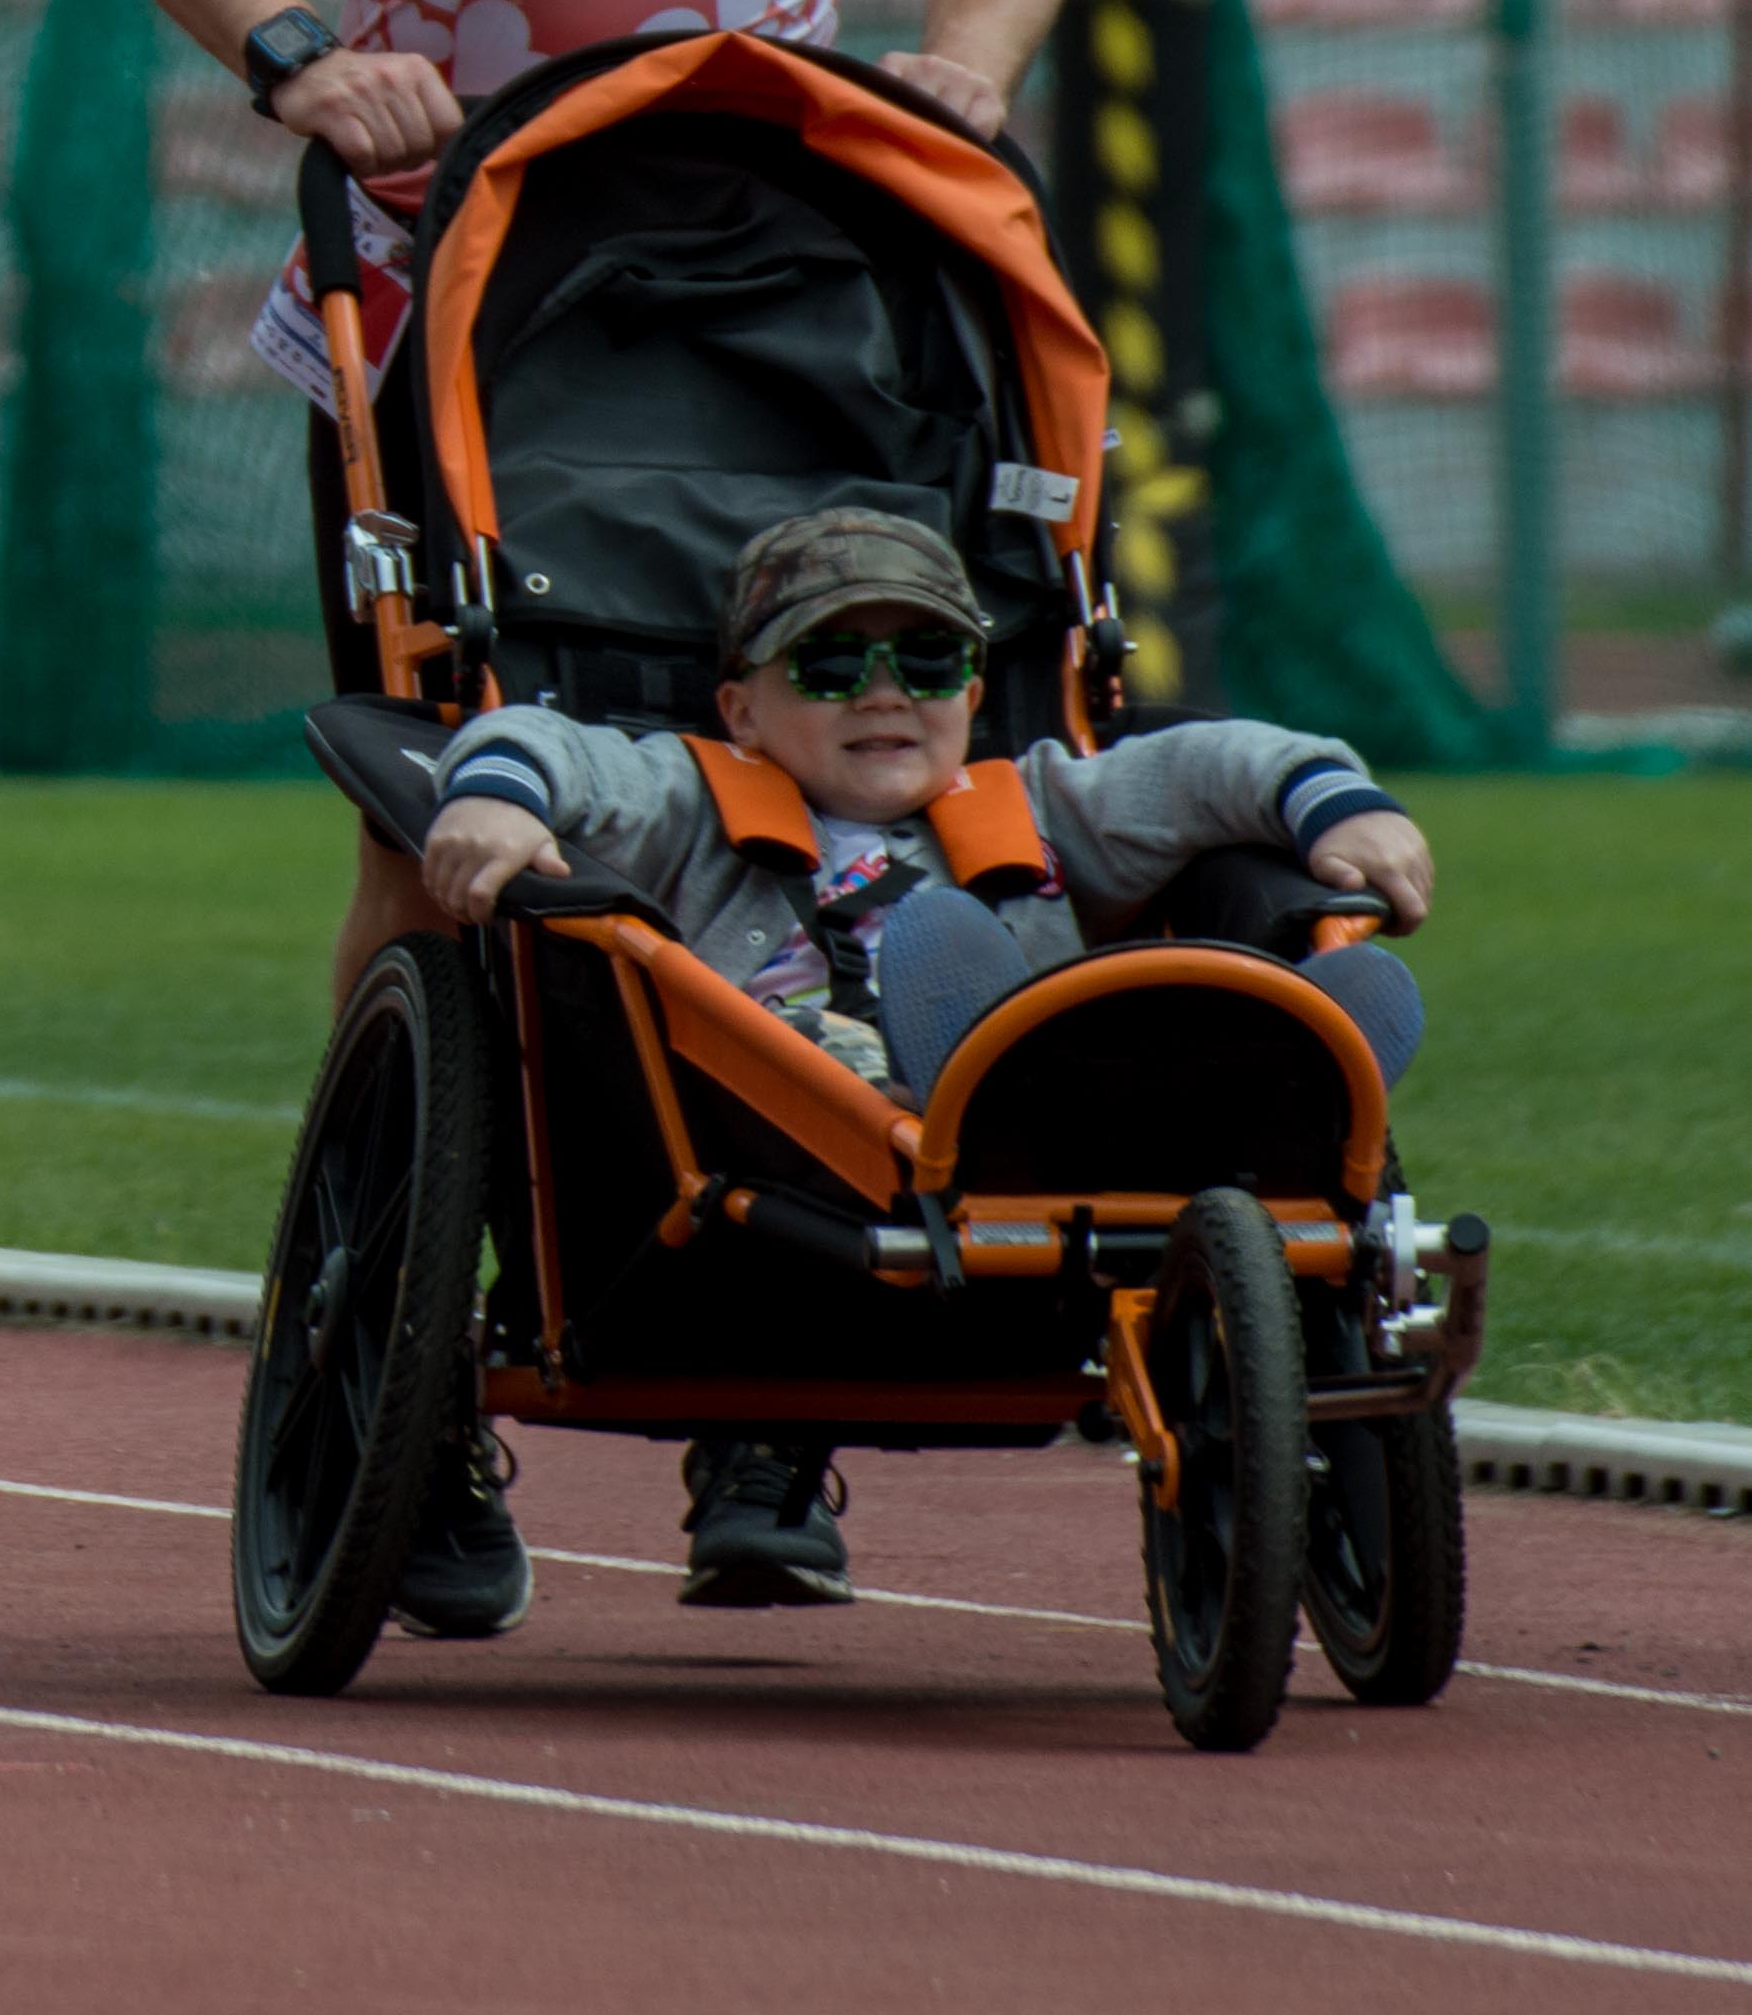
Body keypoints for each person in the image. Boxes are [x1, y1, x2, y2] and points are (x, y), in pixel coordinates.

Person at [85, 0, 1080, 1633]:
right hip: (445, 289)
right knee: (447, 812)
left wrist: (951, 80)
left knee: (835, 758)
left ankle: (773, 1368)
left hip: (769, 277)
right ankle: (396, 1344)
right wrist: (305, 52)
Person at [410, 508, 1436, 1611]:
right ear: (738, 708)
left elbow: (1205, 764)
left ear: (973, 692)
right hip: (788, 1133)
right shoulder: (685, 798)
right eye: (831, 661)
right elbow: (547, 744)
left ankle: (1275, 1072)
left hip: (1058, 1132)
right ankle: (975, 1087)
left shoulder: (1035, 802)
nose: (884, 691)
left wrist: (1343, 807)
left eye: (929, 658)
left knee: (1055, 977)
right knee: (934, 945)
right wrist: (493, 796)